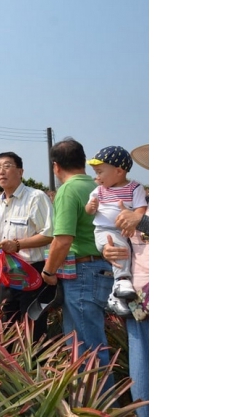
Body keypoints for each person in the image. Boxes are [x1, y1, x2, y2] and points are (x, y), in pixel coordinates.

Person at [40, 138, 115, 381]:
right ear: (83, 161)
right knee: (80, 341)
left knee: (88, 347)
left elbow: (62, 240)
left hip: (82, 272)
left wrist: (48, 271)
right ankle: (85, 402)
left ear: (55, 166)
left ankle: (101, 404)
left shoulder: (68, 190)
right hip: (101, 267)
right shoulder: (97, 187)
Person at [0, 152, 54, 342]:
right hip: (6, 274)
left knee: (33, 327)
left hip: (32, 272)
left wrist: (18, 244)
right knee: (5, 324)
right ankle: (9, 367)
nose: (1, 171)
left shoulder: (36, 197)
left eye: (7, 166)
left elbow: (49, 233)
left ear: (20, 171)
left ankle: (36, 368)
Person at [103, 142, 149, 417]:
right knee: (141, 358)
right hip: (141, 293)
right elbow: (125, 243)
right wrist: (109, 249)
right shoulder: (142, 203)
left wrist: (139, 222)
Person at [84, 146, 148, 316]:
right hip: (139, 290)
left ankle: (118, 290)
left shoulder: (135, 189)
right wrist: (106, 250)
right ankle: (120, 286)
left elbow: (140, 212)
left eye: (99, 172)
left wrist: (138, 219)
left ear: (119, 171)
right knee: (120, 251)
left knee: (122, 251)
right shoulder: (99, 190)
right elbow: (89, 211)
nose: (97, 176)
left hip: (141, 281)